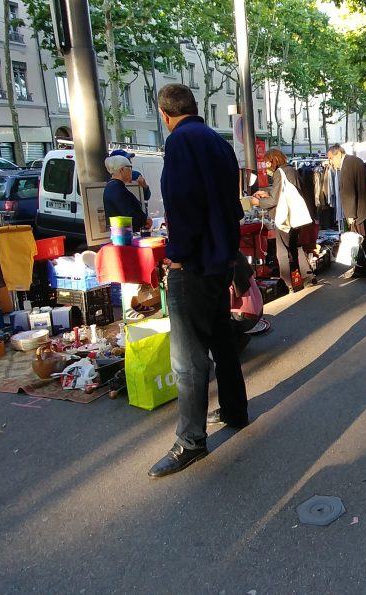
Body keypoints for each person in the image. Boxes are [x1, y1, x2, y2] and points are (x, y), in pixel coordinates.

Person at [148, 84, 248, 479]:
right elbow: (230, 206)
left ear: (164, 113)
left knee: (188, 359)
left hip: (194, 263)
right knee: (222, 339)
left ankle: (190, 440)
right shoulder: (218, 143)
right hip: (219, 259)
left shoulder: (180, 142)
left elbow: (183, 203)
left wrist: (177, 253)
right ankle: (235, 410)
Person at [251, 148, 314, 293]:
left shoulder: (280, 173)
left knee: (283, 252)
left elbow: (275, 200)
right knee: (292, 249)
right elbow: (285, 194)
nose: (266, 166)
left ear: (273, 160)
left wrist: (257, 202)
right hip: (296, 217)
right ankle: (297, 281)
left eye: (267, 162)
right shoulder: (291, 170)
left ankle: (288, 284)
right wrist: (268, 193)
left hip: (286, 218)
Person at [327, 144, 366, 277]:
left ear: (338, 154)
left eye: (331, 158)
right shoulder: (356, 160)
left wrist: (350, 214)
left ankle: (361, 268)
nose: (331, 162)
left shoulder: (347, 165)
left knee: (358, 239)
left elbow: (348, 192)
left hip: (358, 210)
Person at [103, 155, 149, 229]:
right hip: (124, 234)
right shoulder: (116, 188)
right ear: (121, 170)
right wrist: (145, 220)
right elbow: (129, 213)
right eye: (130, 167)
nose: (131, 170)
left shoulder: (114, 186)